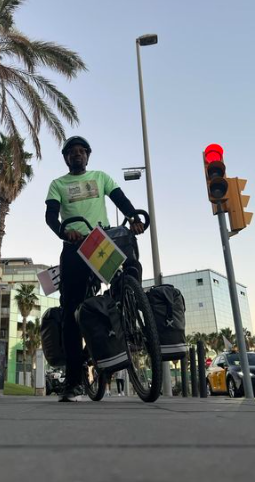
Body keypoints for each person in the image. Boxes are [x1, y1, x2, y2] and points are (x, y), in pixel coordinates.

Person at [45, 136, 144, 402]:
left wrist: (134, 217)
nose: (77, 155)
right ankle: (74, 382)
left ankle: (130, 310)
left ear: (88, 156)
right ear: (66, 158)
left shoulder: (101, 178)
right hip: (75, 246)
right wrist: (64, 231)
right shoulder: (58, 184)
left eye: (81, 152)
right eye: (72, 153)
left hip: (100, 241)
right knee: (70, 312)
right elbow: (50, 216)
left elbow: (120, 199)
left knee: (129, 269)